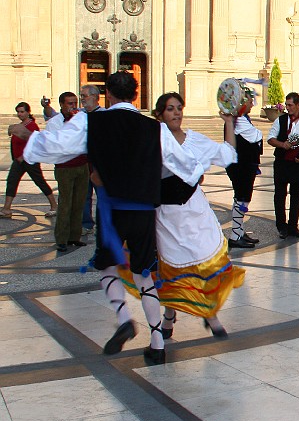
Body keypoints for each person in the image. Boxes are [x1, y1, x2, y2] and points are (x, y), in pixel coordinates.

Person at [16, 72, 207, 362]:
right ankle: (157, 344)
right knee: (144, 274)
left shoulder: (92, 121)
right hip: (143, 212)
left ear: (108, 94)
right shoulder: (155, 128)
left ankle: (124, 320)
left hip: (112, 209)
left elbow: (58, 146)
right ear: (135, 92)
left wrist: (31, 138)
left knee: (107, 268)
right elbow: (184, 166)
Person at [140, 92, 243, 364]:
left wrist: (229, 122)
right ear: (160, 113)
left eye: (179, 108)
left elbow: (228, 154)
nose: (176, 113)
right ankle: (170, 316)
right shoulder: (155, 139)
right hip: (168, 214)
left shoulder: (194, 139)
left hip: (195, 211)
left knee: (206, 265)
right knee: (175, 270)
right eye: (170, 109)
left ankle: (209, 314)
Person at [267, 92, 299, 239]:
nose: (287, 107)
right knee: (280, 194)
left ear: (298, 105)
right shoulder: (280, 121)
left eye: (290, 105)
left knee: (296, 195)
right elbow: (270, 138)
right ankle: (281, 226)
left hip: (298, 165)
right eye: (286, 104)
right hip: (282, 163)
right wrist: (282, 144)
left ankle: (293, 226)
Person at [46, 92, 90, 252]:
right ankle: (62, 238)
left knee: (80, 201)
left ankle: (74, 236)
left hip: (82, 164)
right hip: (65, 166)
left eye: (74, 103)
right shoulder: (54, 122)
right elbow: (55, 142)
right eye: (69, 103)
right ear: (62, 105)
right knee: (65, 202)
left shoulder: (81, 119)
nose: (73, 106)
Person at [3, 102, 59, 219]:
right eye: (18, 112)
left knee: (40, 181)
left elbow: (35, 142)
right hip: (18, 161)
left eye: (22, 111)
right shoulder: (20, 125)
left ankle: (54, 205)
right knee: (12, 181)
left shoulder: (32, 126)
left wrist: (23, 156)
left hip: (29, 160)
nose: (20, 114)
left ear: (28, 112)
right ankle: (6, 209)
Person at [224, 93, 264, 249]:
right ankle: (235, 234)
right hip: (241, 167)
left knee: (243, 198)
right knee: (241, 198)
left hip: (246, 165)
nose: (252, 104)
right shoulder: (239, 121)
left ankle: (239, 230)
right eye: (249, 101)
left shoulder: (241, 119)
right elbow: (256, 136)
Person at [78, 85, 102, 234]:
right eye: (81, 96)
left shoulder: (105, 115)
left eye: (84, 96)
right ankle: (86, 223)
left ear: (94, 97)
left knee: (102, 194)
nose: (82, 99)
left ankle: (102, 223)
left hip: (99, 162)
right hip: (84, 160)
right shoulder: (79, 115)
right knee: (85, 194)